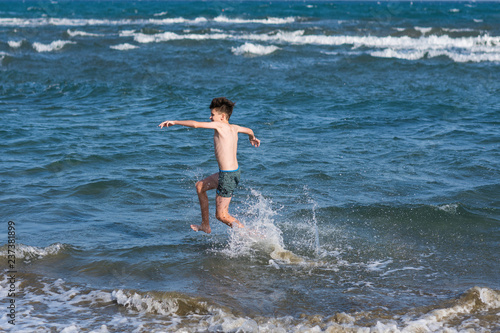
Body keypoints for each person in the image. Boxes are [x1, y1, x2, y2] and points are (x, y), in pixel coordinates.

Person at [159, 97, 260, 234]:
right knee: (200, 186)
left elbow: (195, 124)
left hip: (228, 176)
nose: (210, 117)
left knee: (222, 216)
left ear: (222, 116)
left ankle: (250, 234)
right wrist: (252, 138)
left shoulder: (220, 125)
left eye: (213, 115)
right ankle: (205, 225)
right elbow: (249, 130)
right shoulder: (235, 128)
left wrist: (175, 122)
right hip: (231, 173)